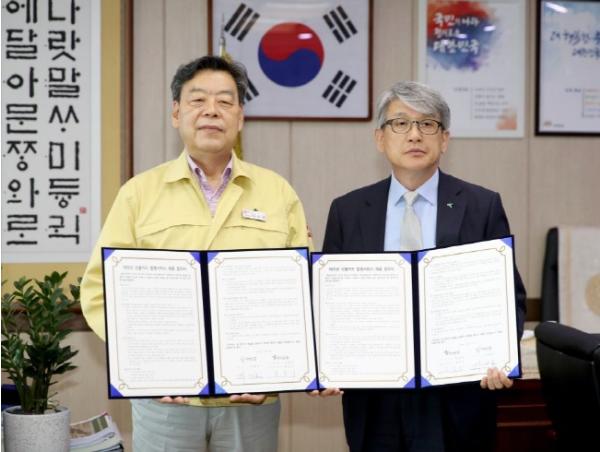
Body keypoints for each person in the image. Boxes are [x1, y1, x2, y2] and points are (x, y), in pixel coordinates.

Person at [80, 55, 311, 452]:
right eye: (198, 100)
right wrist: (145, 363)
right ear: (176, 113)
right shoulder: (139, 193)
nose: (211, 111)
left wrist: (277, 372)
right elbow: (98, 290)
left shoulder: (277, 192)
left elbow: (300, 293)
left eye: (225, 101)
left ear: (240, 116)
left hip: (251, 397)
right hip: (165, 399)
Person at [321, 81, 526, 452]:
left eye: (427, 124)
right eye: (400, 123)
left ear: (444, 139)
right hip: (375, 398)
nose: (414, 134)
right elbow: (330, 304)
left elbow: (509, 296)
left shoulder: (482, 205)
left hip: (457, 396)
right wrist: (327, 361)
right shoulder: (348, 211)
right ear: (380, 138)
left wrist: (501, 356)